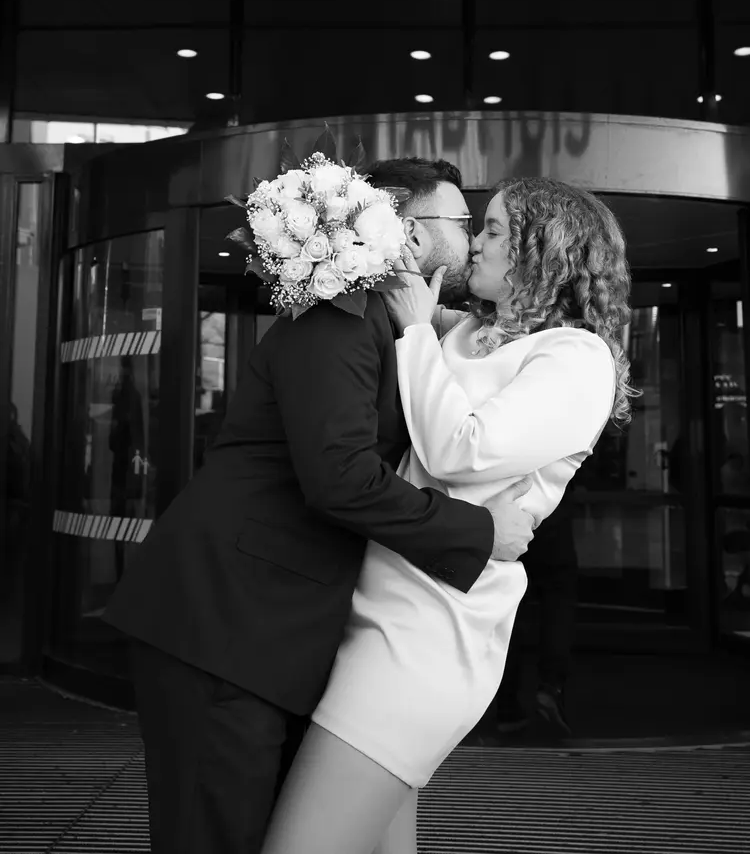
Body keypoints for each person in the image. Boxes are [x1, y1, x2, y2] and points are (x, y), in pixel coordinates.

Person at [102, 156, 536, 854]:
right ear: (413, 236)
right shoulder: (339, 318)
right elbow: (339, 477)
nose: (475, 238)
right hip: (226, 623)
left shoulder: (391, 327)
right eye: (464, 221)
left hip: (265, 632)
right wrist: (482, 532)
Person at [260, 177, 637, 854]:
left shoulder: (577, 358)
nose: (477, 245)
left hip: (428, 634)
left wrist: (413, 327)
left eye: (492, 229)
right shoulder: (470, 330)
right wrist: (340, 228)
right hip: (376, 607)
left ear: (542, 250)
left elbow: (460, 448)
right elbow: (394, 289)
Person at [494, 489, 578, 737]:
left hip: (507, 512)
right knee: (559, 599)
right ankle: (551, 687)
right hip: (551, 512)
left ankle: (507, 706)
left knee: (509, 605)